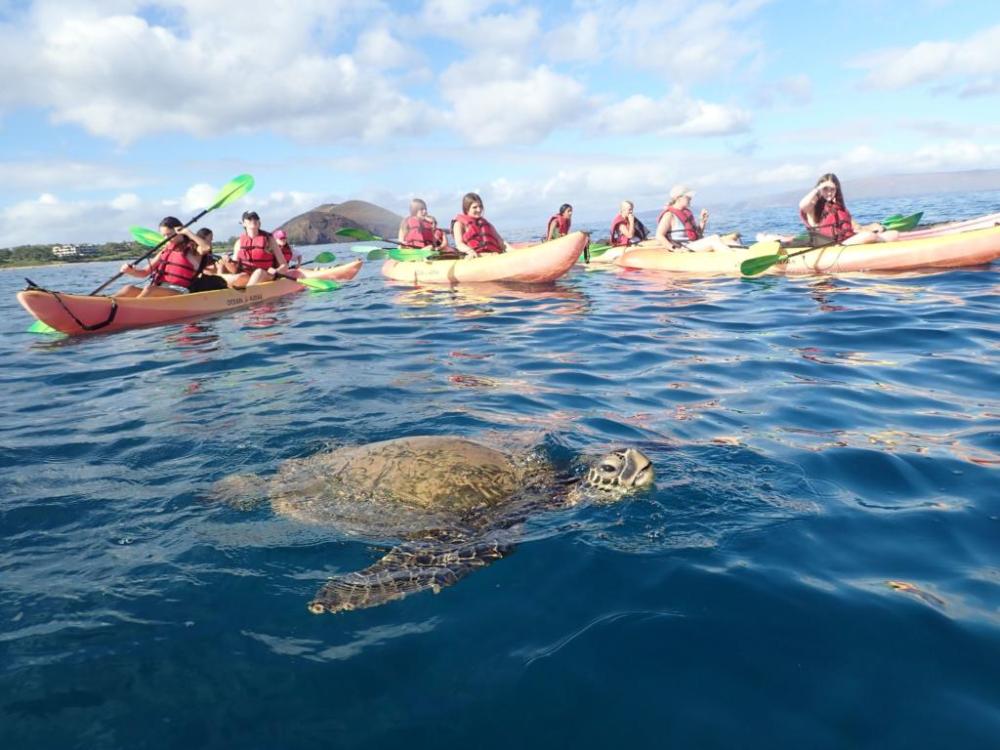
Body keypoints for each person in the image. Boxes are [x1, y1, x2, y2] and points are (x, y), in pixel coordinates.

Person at [114, 216, 212, 297]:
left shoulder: (192, 249)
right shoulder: (166, 250)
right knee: (128, 289)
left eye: (169, 234)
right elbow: (144, 273)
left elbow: (206, 247)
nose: (166, 238)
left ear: (179, 231)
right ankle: (107, 305)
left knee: (150, 289)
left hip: (179, 292)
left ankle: (132, 310)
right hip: (159, 289)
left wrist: (187, 232)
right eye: (163, 235)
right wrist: (131, 271)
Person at [797, 173, 898, 246]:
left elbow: (855, 228)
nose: (829, 192)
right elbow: (802, 205)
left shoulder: (839, 208)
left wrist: (873, 228)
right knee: (868, 236)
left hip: (846, 240)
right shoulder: (812, 206)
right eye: (825, 189)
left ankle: (879, 245)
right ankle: (880, 248)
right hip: (831, 245)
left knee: (894, 234)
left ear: (837, 190)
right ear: (820, 189)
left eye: (832, 189)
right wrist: (819, 188)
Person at [654, 185, 733, 252]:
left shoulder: (686, 213)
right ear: (679, 198)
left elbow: (698, 235)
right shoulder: (669, 215)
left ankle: (740, 256)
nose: (691, 199)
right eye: (688, 197)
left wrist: (702, 222)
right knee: (714, 238)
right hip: (684, 248)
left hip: (693, 245)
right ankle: (735, 261)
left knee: (731, 241)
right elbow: (659, 235)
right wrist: (674, 249)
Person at [218, 210, 284, 287]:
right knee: (222, 263)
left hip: (266, 275)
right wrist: (228, 260)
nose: (253, 220)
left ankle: (247, 293)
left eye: (255, 218)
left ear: (259, 222)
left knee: (258, 272)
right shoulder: (239, 243)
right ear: (243, 224)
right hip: (247, 276)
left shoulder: (269, 240)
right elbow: (235, 268)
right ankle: (219, 288)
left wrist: (276, 271)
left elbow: (284, 265)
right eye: (249, 219)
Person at [452, 193, 511, 258]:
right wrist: (471, 252)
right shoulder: (459, 224)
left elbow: (501, 242)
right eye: (475, 207)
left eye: (480, 206)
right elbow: (459, 244)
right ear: (466, 209)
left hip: (494, 255)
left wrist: (513, 251)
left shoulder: (488, 225)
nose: (479, 210)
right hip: (476, 256)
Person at [187, 228, 230, 292]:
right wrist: (220, 269)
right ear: (202, 240)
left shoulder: (207, 255)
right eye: (210, 240)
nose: (210, 243)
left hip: (197, 280)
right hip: (192, 284)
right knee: (220, 281)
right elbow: (202, 272)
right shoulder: (198, 250)